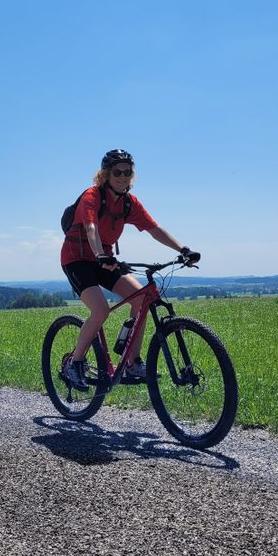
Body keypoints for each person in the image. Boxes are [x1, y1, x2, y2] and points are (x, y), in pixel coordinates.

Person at [60, 149, 200, 391]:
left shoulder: (128, 203)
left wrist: (183, 249)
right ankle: (75, 362)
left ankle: (132, 362)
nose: (123, 176)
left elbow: (154, 229)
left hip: (105, 260)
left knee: (143, 297)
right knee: (101, 309)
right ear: (106, 174)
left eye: (128, 172)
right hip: (77, 259)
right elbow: (91, 227)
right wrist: (100, 255)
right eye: (118, 172)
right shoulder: (92, 196)